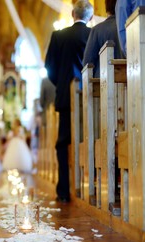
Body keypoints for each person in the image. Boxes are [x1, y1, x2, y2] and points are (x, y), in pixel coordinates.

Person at [45, 0, 94, 203]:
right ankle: (92, 187)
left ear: (72, 14)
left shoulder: (58, 36)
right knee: (91, 139)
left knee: (63, 143)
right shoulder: (92, 34)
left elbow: (50, 68)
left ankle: (63, 191)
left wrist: (63, 85)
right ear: (90, 17)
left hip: (66, 97)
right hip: (92, 96)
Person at [84, 0, 123, 77]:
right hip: (129, 81)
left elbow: (87, 62)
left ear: (106, 8)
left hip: (103, 81)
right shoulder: (129, 26)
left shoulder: (97, 30)